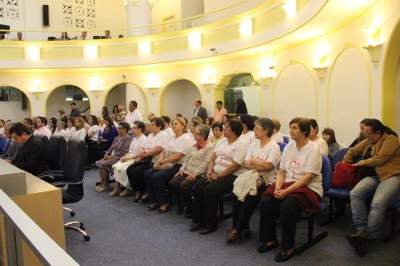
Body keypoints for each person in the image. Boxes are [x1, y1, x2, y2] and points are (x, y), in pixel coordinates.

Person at [258, 117, 322, 262]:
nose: (290, 131)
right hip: (288, 184)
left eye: (294, 128)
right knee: (267, 200)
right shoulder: (289, 147)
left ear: (304, 131)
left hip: (308, 188)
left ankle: (288, 247)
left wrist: (286, 192)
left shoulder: (313, 150)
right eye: (290, 127)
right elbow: (282, 171)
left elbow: (307, 178)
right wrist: (278, 187)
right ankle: (270, 240)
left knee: (287, 206)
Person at [344, 119, 400, 257]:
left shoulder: (391, 140)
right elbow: (354, 150)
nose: (365, 135)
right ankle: (361, 230)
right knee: (355, 193)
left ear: (378, 133)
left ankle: (367, 237)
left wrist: (362, 162)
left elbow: (380, 159)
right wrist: (345, 162)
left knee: (377, 203)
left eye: (368, 133)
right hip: (375, 176)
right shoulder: (370, 140)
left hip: (391, 175)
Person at [227, 118, 281, 244]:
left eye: (257, 129)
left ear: (266, 131)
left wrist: (254, 161)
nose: (254, 131)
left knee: (250, 196)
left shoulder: (274, 147)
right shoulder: (254, 144)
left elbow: (268, 167)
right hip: (251, 176)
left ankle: (237, 229)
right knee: (237, 193)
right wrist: (258, 164)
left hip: (266, 180)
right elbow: (246, 163)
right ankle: (243, 227)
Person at [191, 118, 247, 234]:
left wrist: (218, 176)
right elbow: (212, 159)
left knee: (210, 190)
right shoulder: (221, 141)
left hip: (232, 176)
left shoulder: (242, 144)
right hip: (215, 173)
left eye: (226, 128)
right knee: (198, 186)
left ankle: (211, 224)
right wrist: (209, 171)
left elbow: (235, 165)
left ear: (234, 131)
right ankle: (198, 220)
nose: (223, 129)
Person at [144, 117, 193, 213]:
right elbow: (164, 150)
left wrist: (161, 162)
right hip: (167, 163)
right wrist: (160, 159)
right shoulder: (172, 137)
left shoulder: (185, 139)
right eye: (173, 123)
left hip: (179, 165)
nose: (173, 125)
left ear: (183, 126)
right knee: (148, 173)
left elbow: (177, 156)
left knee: (158, 176)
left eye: (176, 124)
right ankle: (154, 200)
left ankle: (163, 203)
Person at [171, 124, 214, 218]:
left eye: (196, 134)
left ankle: (191, 207)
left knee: (184, 185)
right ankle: (181, 204)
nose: (194, 135)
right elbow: (187, 159)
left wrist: (196, 172)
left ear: (203, 136)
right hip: (188, 170)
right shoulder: (194, 146)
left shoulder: (209, 147)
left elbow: (207, 163)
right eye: (194, 133)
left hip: (199, 173)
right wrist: (182, 169)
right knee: (173, 182)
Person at [126, 117, 168, 202]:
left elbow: (158, 149)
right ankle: (138, 191)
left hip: (152, 160)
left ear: (159, 126)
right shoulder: (150, 135)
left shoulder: (163, 135)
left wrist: (143, 154)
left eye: (152, 125)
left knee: (137, 172)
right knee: (129, 170)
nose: (150, 126)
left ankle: (145, 191)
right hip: (145, 158)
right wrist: (142, 154)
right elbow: (142, 146)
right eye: (150, 124)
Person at [109, 121, 147, 197]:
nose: (132, 129)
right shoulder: (135, 138)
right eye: (132, 128)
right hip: (130, 156)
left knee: (124, 168)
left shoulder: (143, 138)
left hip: (136, 158)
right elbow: (130, 151)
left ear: (140, 129)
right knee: (117, 166)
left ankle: (128, 188)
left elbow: (139, 154)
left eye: (134, 128)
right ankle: (117, 188)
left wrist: (128, 158)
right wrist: (125, 156)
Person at [95, 122, 132, 192]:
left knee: (104, 164)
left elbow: (123, 152)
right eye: (118, 128)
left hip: (118, 158)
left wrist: (110, 156)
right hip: (111, 156)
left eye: (120, 129)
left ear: (125, 129)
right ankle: (102, 183)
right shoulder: (117, 137)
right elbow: (110, 148)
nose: (118, 130)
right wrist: (106, 154)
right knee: (100, 162)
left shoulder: (127, 139)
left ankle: (106, 185)